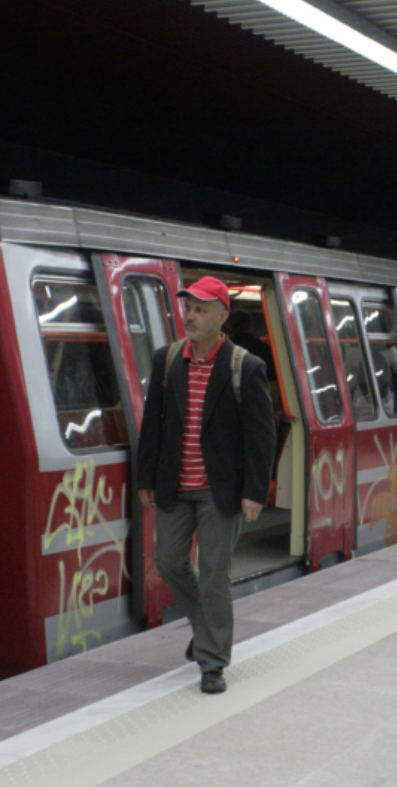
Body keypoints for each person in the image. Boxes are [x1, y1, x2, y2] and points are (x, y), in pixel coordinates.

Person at [136, 276, 278, 694]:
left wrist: (255, 491)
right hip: (174, 485)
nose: (191, 316)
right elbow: (152, 425)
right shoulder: (167, 360)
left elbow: (261, 435)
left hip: (222, 490)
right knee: (169, 561)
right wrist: (146, 477)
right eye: (188, 308)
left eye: (199, 309)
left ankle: (212, 662)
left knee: (213, 574)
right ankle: (206, 629)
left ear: (222, 316)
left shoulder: (245, 367)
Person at [225, 309, 276, 381]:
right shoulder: (263, 348)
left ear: (228, 326)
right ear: (250, 325)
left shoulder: (225, 349)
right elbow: (272, 377)